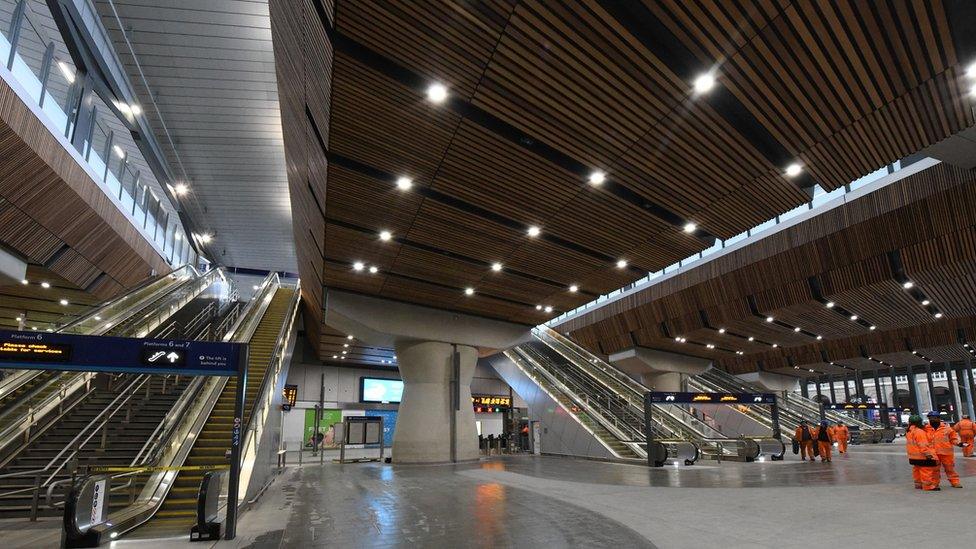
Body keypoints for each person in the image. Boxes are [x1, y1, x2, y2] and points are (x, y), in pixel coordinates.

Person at [925, 410, 964, 488]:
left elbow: (953, 439)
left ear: (939, 418)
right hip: (933, 454)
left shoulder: (947, 429)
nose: (932, 420)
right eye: (930, 418)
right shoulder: (926, 429)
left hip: (946, 454)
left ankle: (955, 482)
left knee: (950, 469)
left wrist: (958, 443)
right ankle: (935, 484)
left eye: (934, 418)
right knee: (934, 470)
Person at [906, 415, 939, 490]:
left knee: (917, 469)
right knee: (926, 471)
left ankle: (918, 484)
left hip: (913, 456)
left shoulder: (909, 431)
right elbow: (922, 444)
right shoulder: (919, 432)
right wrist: (928, 454)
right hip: (922, 456)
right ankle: (928, 486)